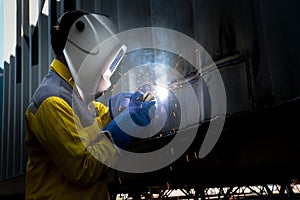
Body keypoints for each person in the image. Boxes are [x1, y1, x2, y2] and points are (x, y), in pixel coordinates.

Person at [25, 10, 155, 200]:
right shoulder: (52, 102)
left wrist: (119, 107)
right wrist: (124, 126)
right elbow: (83, 169)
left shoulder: (75, 94)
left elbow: (98, 120)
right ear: (81, 51)